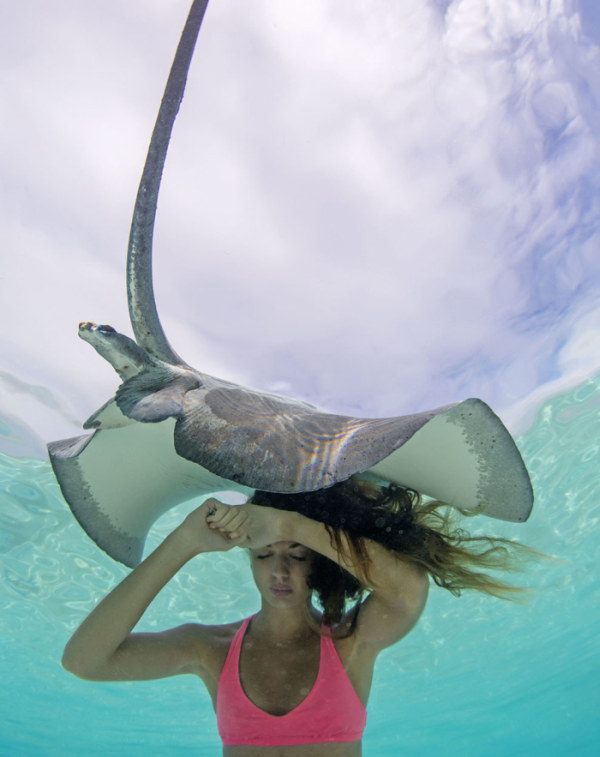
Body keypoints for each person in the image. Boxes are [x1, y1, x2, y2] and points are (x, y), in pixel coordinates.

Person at [62, 477, 530, 756]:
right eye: (265, 554)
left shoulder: (352, 641)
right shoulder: (210, 650)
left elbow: (408, 589)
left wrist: (287, 523)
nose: (281, 570)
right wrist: (182, 544)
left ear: (319, 561)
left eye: (298, 555)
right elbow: (84, 661)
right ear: (248, 559)